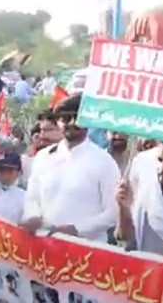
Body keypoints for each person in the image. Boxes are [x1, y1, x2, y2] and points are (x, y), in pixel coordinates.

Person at [21, 94, 120, 242]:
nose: (72, 123)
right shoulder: (43, 157)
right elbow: (32, 199)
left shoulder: (104, 161)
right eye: (66, 118)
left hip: (86, 251)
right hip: (45, 246)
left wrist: (76, 229)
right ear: (58, 122)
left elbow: (112, 213)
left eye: (78, 118)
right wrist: (33, 216)